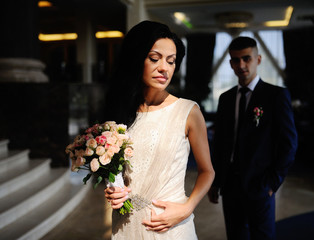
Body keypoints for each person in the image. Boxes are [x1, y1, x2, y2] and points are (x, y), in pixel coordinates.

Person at [104, 20, 215, 239]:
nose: (164, 68)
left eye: (171, 61)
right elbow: (117, 171)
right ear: (137, 59)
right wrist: (113, 190)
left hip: (170, 226)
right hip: (126, 225)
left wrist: (187, 207)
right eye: (155, 58)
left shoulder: (188, 111)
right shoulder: (120, 112)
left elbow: (207, 171)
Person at [208, 36, 298, 240]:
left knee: (262, 236)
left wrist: (272, 183)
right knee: (235, 235)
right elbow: (221, 142)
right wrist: (215, 182)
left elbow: (289, 143)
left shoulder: (276, 96)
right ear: (230, 63)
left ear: (258, 59)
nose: (241, 65)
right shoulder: (226, 98)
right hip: (230, 185)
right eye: (236, 60)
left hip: (260, 183)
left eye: (246, 58)